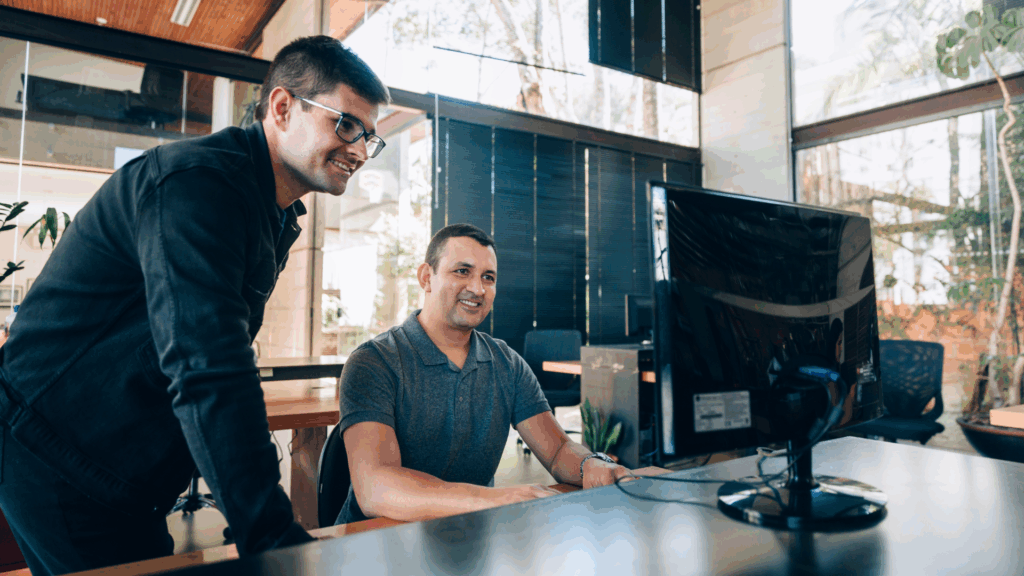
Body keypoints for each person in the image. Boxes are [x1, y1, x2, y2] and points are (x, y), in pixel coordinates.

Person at [0, 36, 389, 575]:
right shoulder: (198, 186)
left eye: (371, 136)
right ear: (281, 107)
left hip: (123, 473)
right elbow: (209, 367)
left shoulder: (272, 211)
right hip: (57, 453)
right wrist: (273, 537)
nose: (362, 150)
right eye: (346, 124)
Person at [336, 223, 633, 525]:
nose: (477, 289)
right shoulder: (374, 362)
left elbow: (557, 450)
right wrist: (497, 500)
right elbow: (376, 487)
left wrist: (589, 465)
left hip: (469, 537)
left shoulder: (507, 364)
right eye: (462, 271)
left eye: (488, 277)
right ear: (427, 278)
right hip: (376, 542)